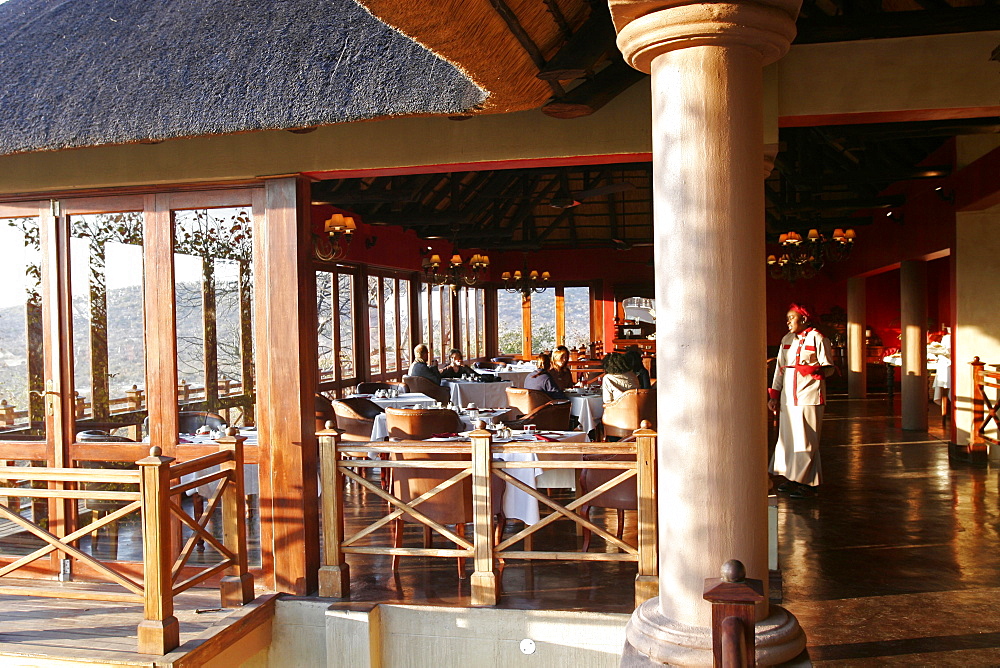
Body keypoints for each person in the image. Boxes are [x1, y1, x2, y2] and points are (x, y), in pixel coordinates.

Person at [768, 303, 834, 499]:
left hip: (809, 397)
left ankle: (809, 483)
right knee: (789, 439)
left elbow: (828, 367)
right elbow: (779, 369)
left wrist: (815, 371)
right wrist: (774, 395)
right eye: (787, 318)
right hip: (789, 398)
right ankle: (792, 477)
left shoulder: (819, 338)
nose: (787, 322)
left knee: (806, 440)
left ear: (803, 319)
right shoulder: (786, 340)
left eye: (791, 318)